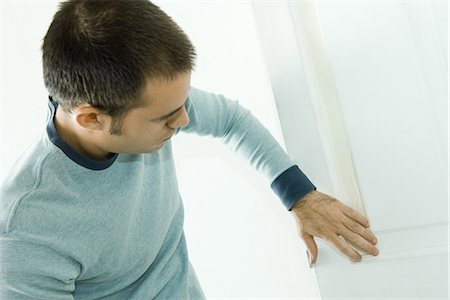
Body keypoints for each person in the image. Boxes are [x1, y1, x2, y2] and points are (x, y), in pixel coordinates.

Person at [0, 0, 379, 298]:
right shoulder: (27, 233)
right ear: (91, 120)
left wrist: (301, 196)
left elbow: (231, 120)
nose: (183, 120)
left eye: (183, 103)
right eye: (166, 117)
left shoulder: (146, 109)